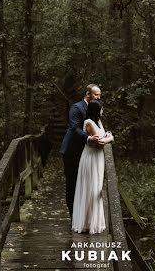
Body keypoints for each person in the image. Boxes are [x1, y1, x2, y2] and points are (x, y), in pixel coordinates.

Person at [72, 99, 114, 234]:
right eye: (101, 108)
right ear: (96, 110)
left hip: (98, 158)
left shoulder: (98, 121)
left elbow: (101, 136)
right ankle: (86, 223)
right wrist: (111, 138)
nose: (103, 110)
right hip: (91, 159)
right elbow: (99, 143)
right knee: (91, 188)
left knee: (97, 187)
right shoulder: (89, 123)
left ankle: (93, 221)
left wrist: (106, 134)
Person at [60, 84, 102, 218]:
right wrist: (88, 138)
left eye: (100, 95)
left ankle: (83, 216)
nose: (99, 97)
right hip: (72, 151)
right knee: (72, 184)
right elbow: (74, 127)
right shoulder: (77, 107)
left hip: (86, 153)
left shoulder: (95, 109)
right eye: (96, 95)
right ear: (87, 94)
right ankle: (73, 217)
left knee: (85, 184)